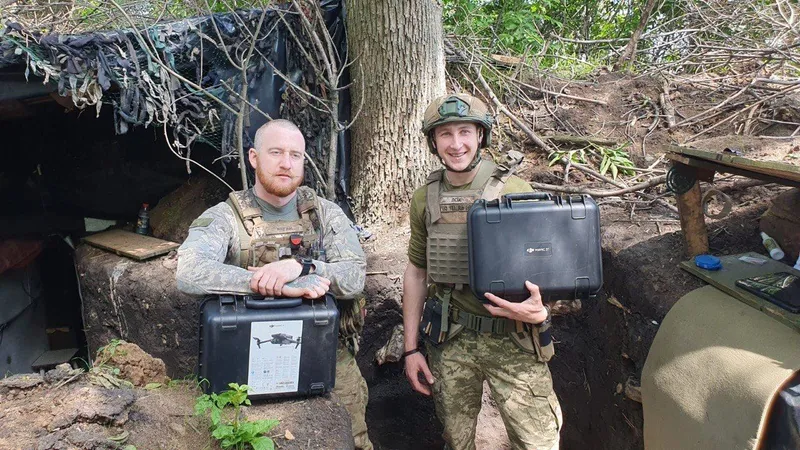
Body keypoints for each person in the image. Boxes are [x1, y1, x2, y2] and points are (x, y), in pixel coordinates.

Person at [176, 119, 373, 450]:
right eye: (276, 152)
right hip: (244, 359)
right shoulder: (226, 217)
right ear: (254, 158)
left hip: (326, 354)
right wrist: (265, 282)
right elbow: (188, 270)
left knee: (353, 440)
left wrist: (301, 266)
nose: (286, 163)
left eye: (295, 155)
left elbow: (354, 277)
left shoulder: (325, 214)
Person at [401, 93, 562, 449]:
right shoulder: (424, 199)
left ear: (480, 136)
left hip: (514, 341)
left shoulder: (515, 190)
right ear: (433, 141)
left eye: (465, 132)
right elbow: (416, 272)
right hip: (451, 340)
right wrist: (410, 350)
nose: (456, 144)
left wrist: (542, 310)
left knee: (538, 443)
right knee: (456, 440)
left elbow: (547, 268)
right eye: (445, 134)